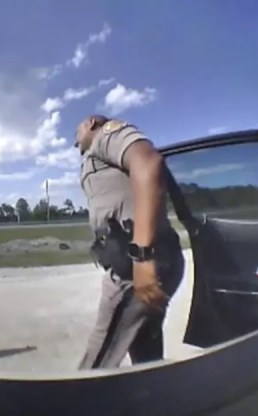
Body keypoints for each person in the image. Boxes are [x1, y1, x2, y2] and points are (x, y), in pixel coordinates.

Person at [74, 115, 185, 369]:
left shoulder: (106, 134)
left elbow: (148, 163)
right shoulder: (96, 155)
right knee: (146, 353)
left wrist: (142, 257)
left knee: (97, 363)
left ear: (91, 123)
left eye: (77, 133)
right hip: (140, 257)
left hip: (136, 263)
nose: (76, 141)